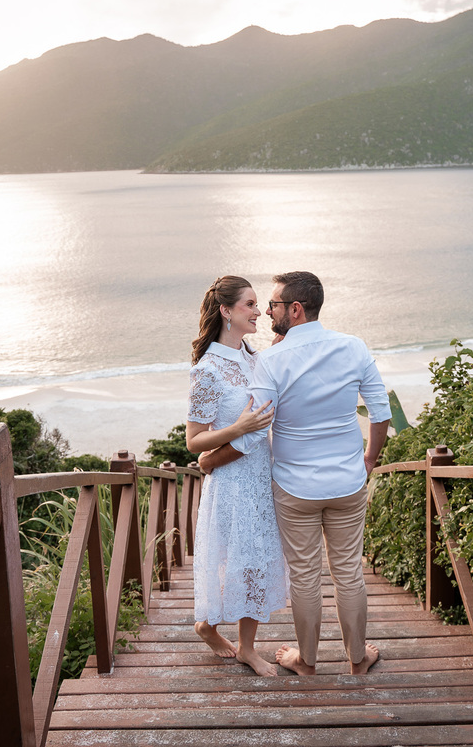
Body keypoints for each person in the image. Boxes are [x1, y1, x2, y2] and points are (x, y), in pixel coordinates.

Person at [200, 271, 391, 676]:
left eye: (273, 304)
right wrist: (369, 459)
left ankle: (306, 662)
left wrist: (210, 461)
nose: (268, 310)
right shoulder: (353, 347)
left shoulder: (269, 360)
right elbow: (382, 411)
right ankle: (358, 660)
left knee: (305, 576)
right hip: (347, 482)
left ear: (296, 309)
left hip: (294, 488)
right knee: (349, 572)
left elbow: (255, 428)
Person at [185, 275, 289, 677]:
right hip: (230, 482)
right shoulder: (207, 371)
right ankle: (206, 626)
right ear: (226, 311)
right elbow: (194, 441)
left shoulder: (251, 356)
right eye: (250, 304)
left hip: (261, 475)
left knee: (257, 560)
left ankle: (247, 647)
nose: (259, 311)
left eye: (259, 303)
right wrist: (238, 429)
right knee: (235, 561)